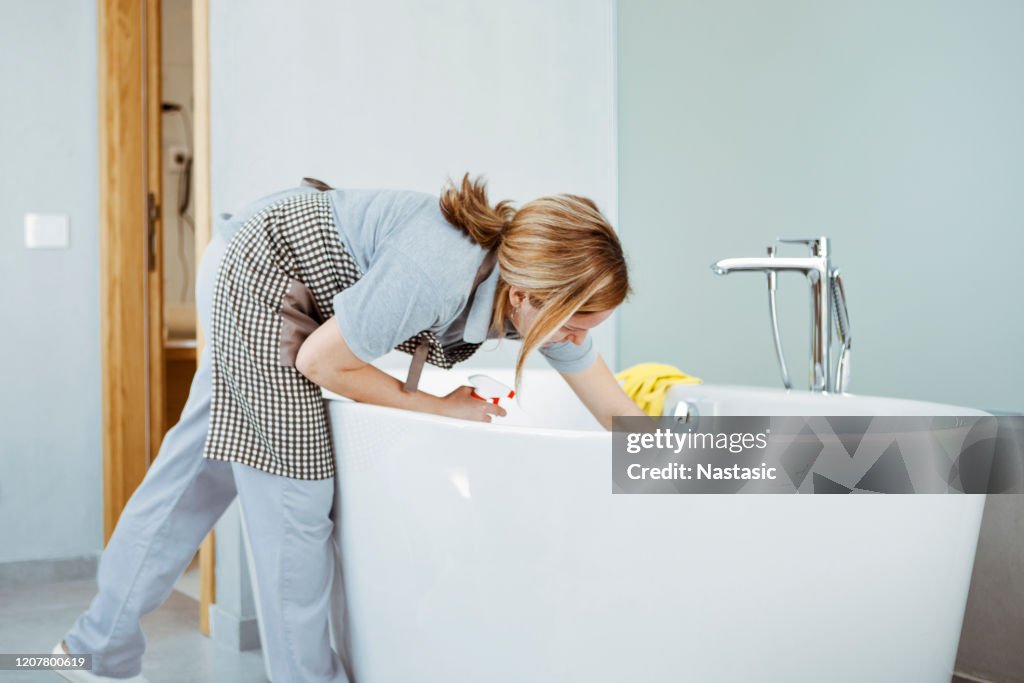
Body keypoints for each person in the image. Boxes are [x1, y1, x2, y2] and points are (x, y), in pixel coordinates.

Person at [55, 174, 646, 682]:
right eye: (577, 324)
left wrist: (706, 471)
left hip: (258, 259)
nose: (578, 338)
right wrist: (441, 406)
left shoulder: (532, 294)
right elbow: (322, 361)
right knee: (297, 498)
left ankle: (91, 651)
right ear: (527, 296)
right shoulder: (437, 272)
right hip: (263, 272)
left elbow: (611, 406)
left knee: (199, 473)